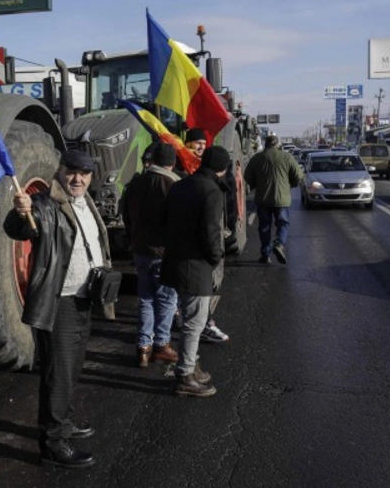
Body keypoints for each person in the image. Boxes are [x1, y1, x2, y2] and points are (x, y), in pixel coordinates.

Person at [3, 149, 112, 469]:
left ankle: (64, 421)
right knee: (58, 374)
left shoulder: (86, 203)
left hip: (83, 299)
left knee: (73, 368)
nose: (77, 179)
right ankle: (53, 444)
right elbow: (19, 227)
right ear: (59, 171)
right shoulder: (44, 205)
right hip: (59, 302)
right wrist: (21, 212)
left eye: (84, 174)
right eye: (71, 172)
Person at [162, 146, 232, 397]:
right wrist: (215, 259)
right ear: (222, 169)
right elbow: (212, 234)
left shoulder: (180, 185)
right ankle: (185, 375)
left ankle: (191, 364)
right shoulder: (212, 191)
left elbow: (165, 221)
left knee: (189, 319)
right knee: (195, 323)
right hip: (197, 266)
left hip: (175, 261)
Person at [127, 143, 180, 368]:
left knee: (146, 299)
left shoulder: (135, 183)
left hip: (140, 250)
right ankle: (161, 344)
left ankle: (143, 347)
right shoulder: (172, 183)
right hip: (164, 252)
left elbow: (126, 215)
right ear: (172, 163)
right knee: (167, 300)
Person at [243, 134, 303, 264]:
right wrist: (290, 185)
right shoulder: (287, 157)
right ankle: (279, 244)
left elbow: (247, 175)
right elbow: (298, 176)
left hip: (263, 198)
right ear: (278, 145)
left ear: (266, 144)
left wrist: (255, 185)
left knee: (265, 226)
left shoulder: (257, 158)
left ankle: (265, 254)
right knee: (283, 223)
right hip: (282, 199)